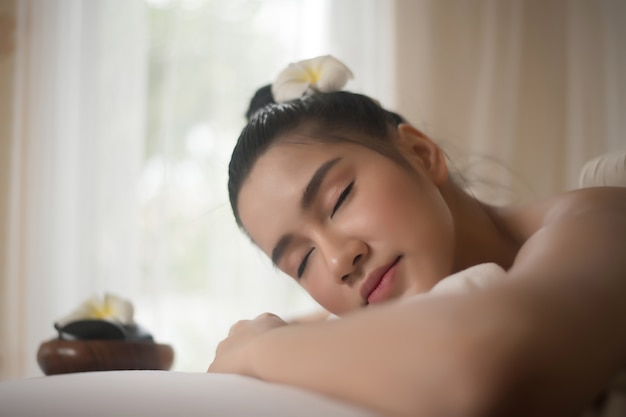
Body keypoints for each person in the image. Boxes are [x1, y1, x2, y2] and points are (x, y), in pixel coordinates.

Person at [208, 56, 626, 417]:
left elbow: (479, 366)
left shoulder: (600, 220)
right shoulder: (357, 316)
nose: (337, 261)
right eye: (302, 262)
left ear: (420, 154)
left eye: (340, 199)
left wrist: (256, 352)